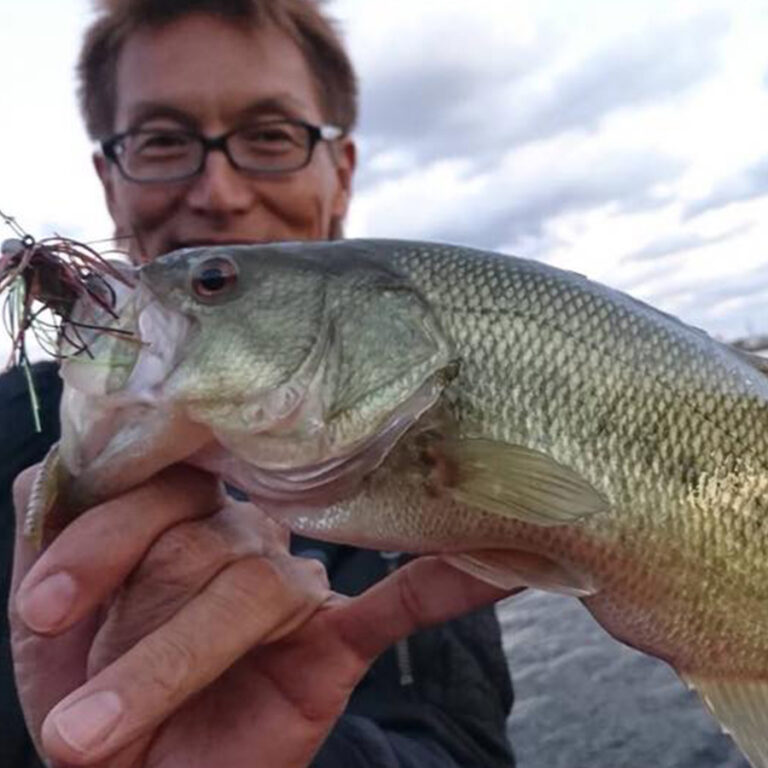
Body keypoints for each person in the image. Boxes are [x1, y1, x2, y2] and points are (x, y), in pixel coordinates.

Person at [1, 1, 518, 766]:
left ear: (339, 176)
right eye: (163, 141)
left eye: (270, 137)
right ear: (110, 181)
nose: (218, 191)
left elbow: (460, 748)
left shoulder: (424, 443)